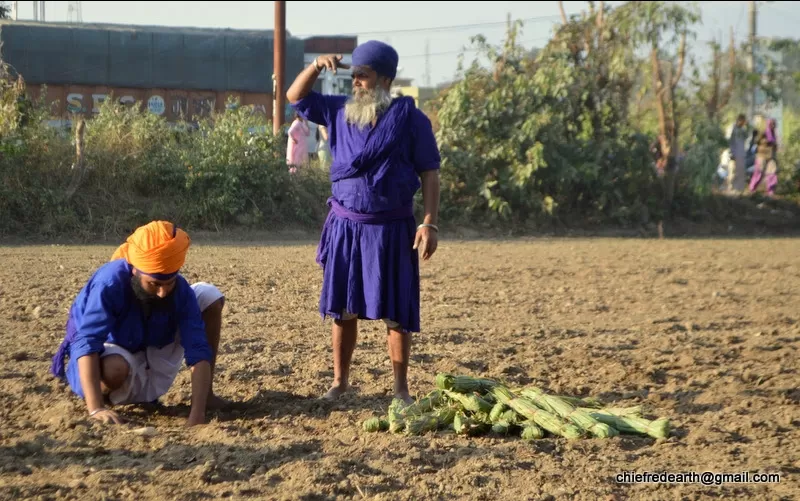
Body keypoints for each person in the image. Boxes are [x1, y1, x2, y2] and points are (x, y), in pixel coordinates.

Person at [286, 41, 441, 404]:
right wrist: (315, 69)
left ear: (384, 79)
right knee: (343, 310)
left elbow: (430, 173)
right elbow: (295, 96)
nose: (356, 82)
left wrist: (429, 223)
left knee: (397, 312)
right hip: (346, 226)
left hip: (392, 229)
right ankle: (340, 382)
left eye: (363, 76)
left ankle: (400, 389)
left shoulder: (410, 120)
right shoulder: (338, 111)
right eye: (353, 75)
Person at [49, 221, 230, 426]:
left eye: (169, 283)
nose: (163, 292)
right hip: (111, 351)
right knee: (114, 369)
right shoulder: (110, 283)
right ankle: (103, 396)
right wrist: (95, 408)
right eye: (154, 284)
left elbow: (197, 349)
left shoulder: (180, 290)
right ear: (135, 271)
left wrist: (197, 416)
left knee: (209, 295)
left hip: (153, 347)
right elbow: (87, 341)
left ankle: (206, 396)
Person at [749, 118, 779, 196]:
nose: (773, 126)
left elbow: (775, 146)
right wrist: (761, 135)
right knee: (759, 172)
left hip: (770, 156)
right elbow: (756, 140)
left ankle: (770, 190)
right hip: (761, 155)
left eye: (774, 124)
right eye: (771, 124)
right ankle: (752, 188)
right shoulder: (764, 132)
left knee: (772, 172)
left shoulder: (774, 134)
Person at [727, 114, 749, 193]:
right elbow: (729, 141)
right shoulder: (732, 128)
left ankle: (739, 190)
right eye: (742, 121)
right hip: (733, 154)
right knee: (732, 172)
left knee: (740, 172)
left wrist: (747, 127)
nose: (743, 123)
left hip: (741, 154)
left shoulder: (743, 130)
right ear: (739, 120)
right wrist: (731, 153)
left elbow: (746, 136)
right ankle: (731, 188)